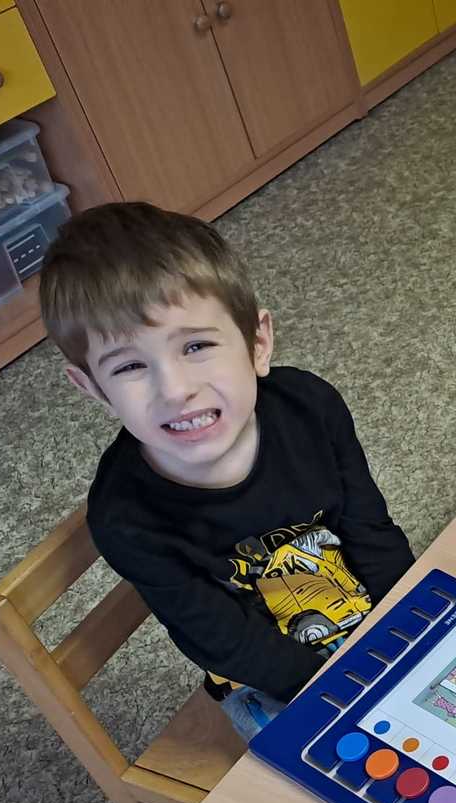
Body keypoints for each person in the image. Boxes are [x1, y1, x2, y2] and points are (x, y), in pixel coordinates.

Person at [40, 202, 414, 739]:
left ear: (257, 344)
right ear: (94, 388)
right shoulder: (124, 517)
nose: (175, 390)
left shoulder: (310, 407)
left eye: (196, 346)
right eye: (130, 366)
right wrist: (342, 688)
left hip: (362, 609)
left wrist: (408, 626)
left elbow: (370, 531)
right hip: (265, 676)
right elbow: (225, 642)